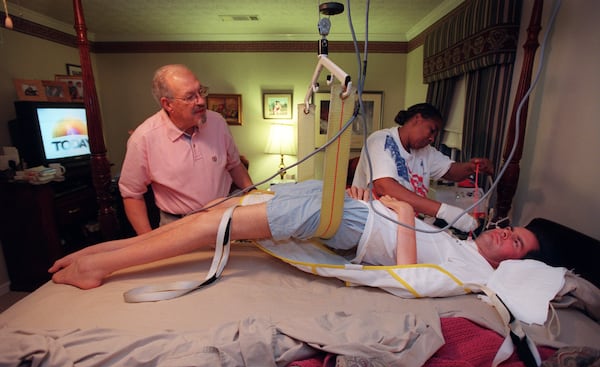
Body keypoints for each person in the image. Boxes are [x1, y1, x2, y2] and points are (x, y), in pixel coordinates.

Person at [49, 180, 540, 290]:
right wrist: (372, 200)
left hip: (350, 225)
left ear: (511, 264)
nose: (507, 234)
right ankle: (108, 250)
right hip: (354, 211)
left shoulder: (473, 270)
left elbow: (407, 277)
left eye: (516, 243)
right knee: (219, 208)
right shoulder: (458, 241)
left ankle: (99, 265)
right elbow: (397, 228)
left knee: (214, 226)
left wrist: (403, 216)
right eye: (513, 230)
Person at [119, 64, 253, 235]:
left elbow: (234, 165)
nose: (201, 101)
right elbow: (132, 195)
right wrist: (147, 239)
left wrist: (253, 194)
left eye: (201, 91)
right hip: (177, 226)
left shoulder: (217, 122)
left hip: (222, 219)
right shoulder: (143, 138)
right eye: (190, 97)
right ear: (168, 104)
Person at [352, 103, 494, 233]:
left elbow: (451, 171)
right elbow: (385, 187)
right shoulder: (381, 140)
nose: (432, 138)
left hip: (410, 226)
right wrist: (444, 211)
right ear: (417, 119)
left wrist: (471, 167)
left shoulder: (426, 152)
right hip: (375, 226)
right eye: (431, 130)